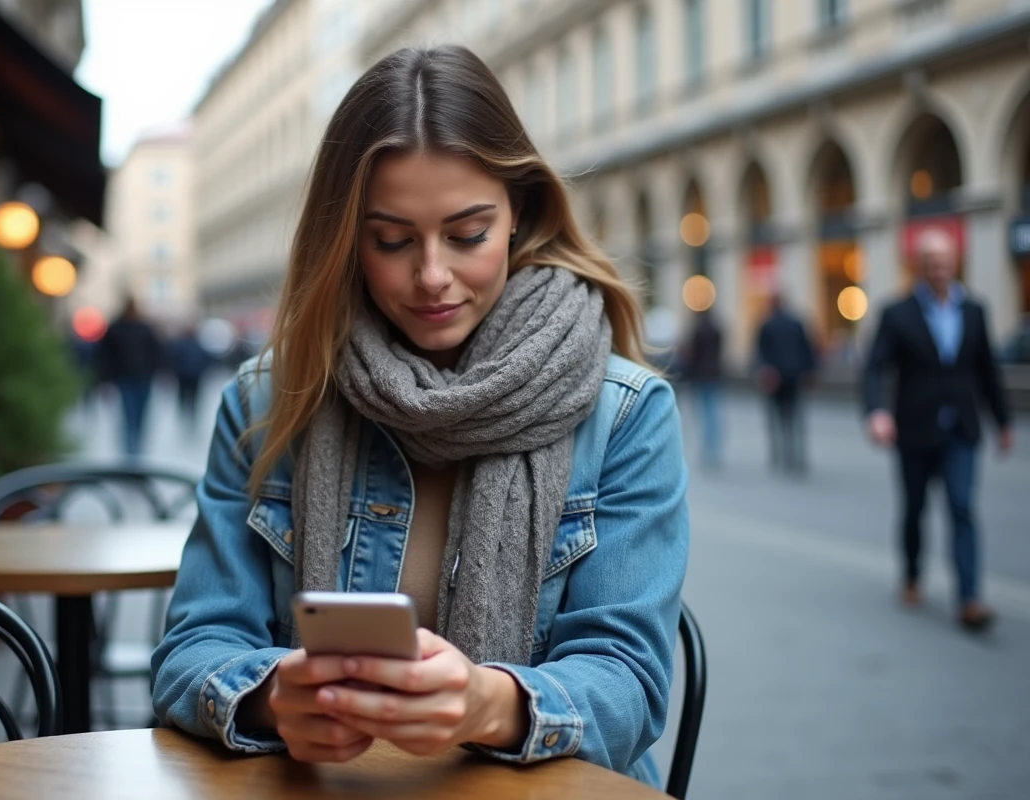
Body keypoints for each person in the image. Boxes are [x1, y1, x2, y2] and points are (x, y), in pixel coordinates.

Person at [151, 46, 688, 787]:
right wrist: (272, 699)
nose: (432, 275)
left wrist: (487, 705)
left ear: (518, 215)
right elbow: (192, 648)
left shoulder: (624, 413)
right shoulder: (269, 401)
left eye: (467, 234)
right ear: (346, 238)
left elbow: (631, 679)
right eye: (393, 240)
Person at [862, 229, 1013, 631]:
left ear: (955, 263)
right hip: (914, 430)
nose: (940, 270)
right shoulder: (897, 313)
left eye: (945, 262)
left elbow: (987, 370)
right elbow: (875, 367)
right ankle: (912, 573)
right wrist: (877, 411)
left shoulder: (974, 310)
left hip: (961, 428)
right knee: (915, 508)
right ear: (920, 267)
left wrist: (1003, 421)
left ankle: (969, 598)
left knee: (962, 507)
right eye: (932, 263)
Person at [755, 294, 817, 474]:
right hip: (795, 375)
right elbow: (807, 348)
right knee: (796, 417)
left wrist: (765, 369)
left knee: (776, 418)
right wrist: (809, 371)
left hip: (774, 377)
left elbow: (761, 352)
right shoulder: (796, 323)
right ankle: (798, 454)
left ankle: (779, 454)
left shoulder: (767, 324)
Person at [95, 298, 162, 457]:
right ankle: (130, 451)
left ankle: (137, 448)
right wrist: (106, 378)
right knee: (129, 414)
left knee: (141, 415)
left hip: (143, 378)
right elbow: (105, 355)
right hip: (125, 378)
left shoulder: (144, 328)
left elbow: (156, 352)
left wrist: (154, 370)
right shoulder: (117, 328)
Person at [680, 310, 724, 468]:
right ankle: (713, 450)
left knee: (705, 414)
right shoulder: (716, 330)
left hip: (700, 376)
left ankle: (708, 450)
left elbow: (691, 355)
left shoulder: (698, 331)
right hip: (714, 375)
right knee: (713, 414)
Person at [167, 324, 212, 431]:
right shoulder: (183, 344)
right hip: (184, 376)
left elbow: (206, 359)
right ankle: (187, 415)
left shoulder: (195, 344)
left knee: (192, 398)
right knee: (185, 397)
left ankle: (191, 416)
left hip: (193, 375)